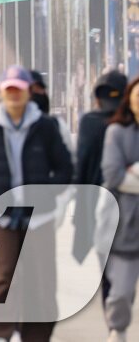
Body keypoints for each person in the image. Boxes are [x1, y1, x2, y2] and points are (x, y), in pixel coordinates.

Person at [0, 65, 74, 342]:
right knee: (5, 274)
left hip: (39, 215)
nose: (14, 95)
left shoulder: (46, 127)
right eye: (9, 90)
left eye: (19, 89)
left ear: (28, 92)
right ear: (2, 93)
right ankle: (0, 333)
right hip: (3, 215)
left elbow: (65, 168)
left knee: (42, 279)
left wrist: (48, 193)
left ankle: (35, 335)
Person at [77, 70, 129, 275]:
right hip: (125, 201)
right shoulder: (130, 123)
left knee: (107, 262)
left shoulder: (89, 122)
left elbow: (82, 163)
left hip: (98, 201)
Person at [101, 77, 139, 342]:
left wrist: (134, 171)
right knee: (121, 293)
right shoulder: (116, 132)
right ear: (130, 100)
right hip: (127, 225)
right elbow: (113, 175)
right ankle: (118, 331)